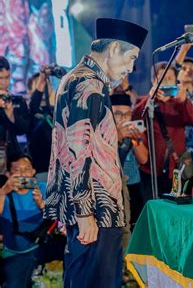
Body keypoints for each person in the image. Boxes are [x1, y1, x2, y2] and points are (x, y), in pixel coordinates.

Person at [44, 18, 148, 288]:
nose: (131, 68)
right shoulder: (87, 84)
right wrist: (83, 213)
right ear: (114, 48)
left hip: (94, 208)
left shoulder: (79, 78)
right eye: (131, 58)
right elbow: (77, 150)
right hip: (96, 210)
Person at [133, 61, 193, 200]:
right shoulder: (145, 101)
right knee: (153, 207)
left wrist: (184, 101)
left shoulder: (179, 102)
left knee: (178, 209)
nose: (166, 81)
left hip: (176, 168)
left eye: (170, 78)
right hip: (152, 168)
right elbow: (135, 118)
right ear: (153, 80)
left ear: (176, 80)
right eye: (161, 78)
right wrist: (150, 98)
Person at [0, 154, 46, 287]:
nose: (23, 174)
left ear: (33, 172)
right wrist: (3, 192)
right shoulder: (3, 193)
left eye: (26, 169)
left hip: (40, 247)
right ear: (8, 174)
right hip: (14, 252)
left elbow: (60, 217)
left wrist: (42, 205)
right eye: (17, 170)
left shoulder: (42, 188)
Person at [110, 93, 148, 247]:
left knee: (133, 224)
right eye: (118, 113)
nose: (123, 118)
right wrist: (118, 136)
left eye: (127, 114)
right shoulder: (102, 132)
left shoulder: (132, 130)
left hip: (133, 183)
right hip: (113, 187)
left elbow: (144, 159)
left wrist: (136, 140)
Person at [0, 56, 29, 175]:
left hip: (12, 157)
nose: (3, 82)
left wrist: (10, 113)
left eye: (6, 78)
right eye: (0, 78)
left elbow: (23, 129)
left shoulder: (17, 101)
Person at [26, 69, 56, 182]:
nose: (43, 87)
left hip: (58, 166)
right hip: (38, 169)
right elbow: (34, 104)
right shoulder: (28, 112)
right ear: (30, 91)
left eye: (45, 83)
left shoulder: (56, 111)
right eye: (40, 84)